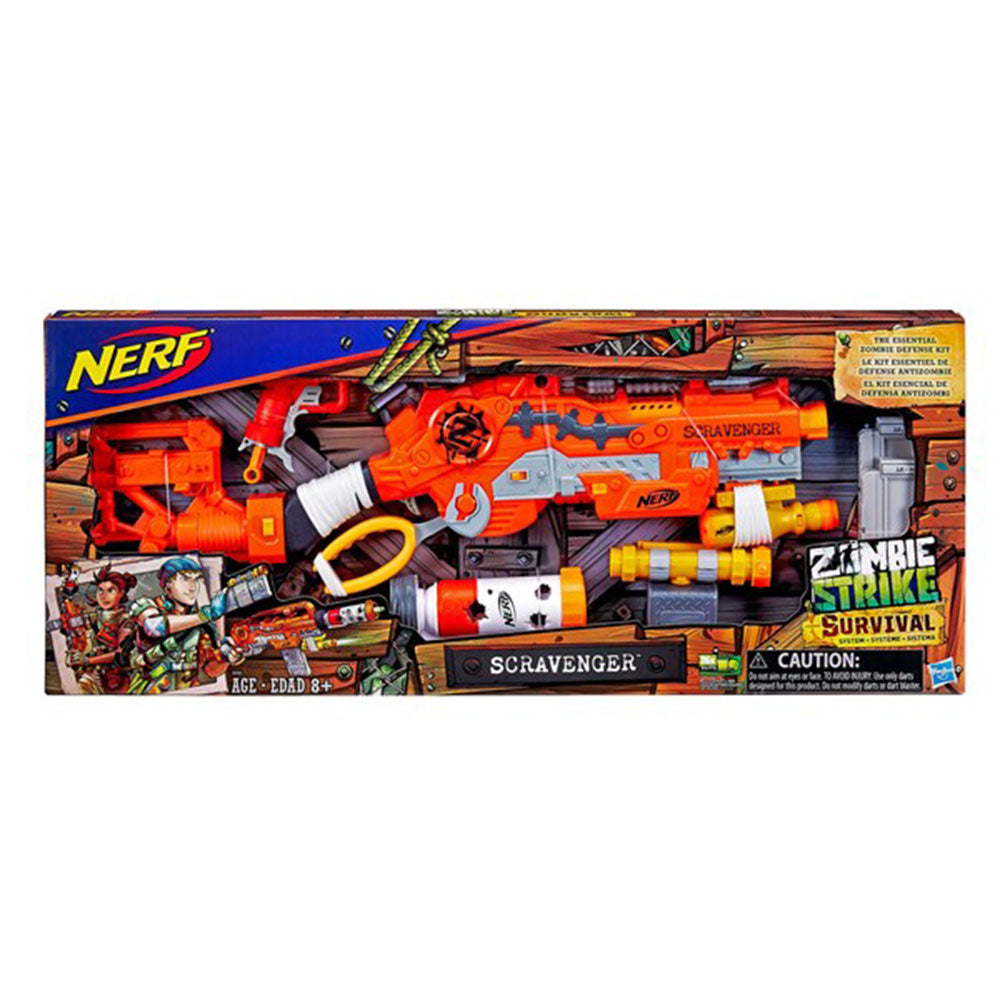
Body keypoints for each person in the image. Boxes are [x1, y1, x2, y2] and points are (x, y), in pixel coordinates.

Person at [128, 557, 236, 694]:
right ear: (168, 584)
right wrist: (203, 616)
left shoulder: (204, 625)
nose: (192, 587)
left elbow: (210, 671)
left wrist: (225, 657)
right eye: (184, 579)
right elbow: (153, 627)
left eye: (196, 580)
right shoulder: (147, 605)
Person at [63, 564, 137, 694]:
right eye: (100, 590)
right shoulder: (92, 618)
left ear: (121, 593)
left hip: (117, 680)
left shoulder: (126, 621)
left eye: (110, 591)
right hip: (92, 676)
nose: (104, 596)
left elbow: (120, 654)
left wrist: (88, 660)